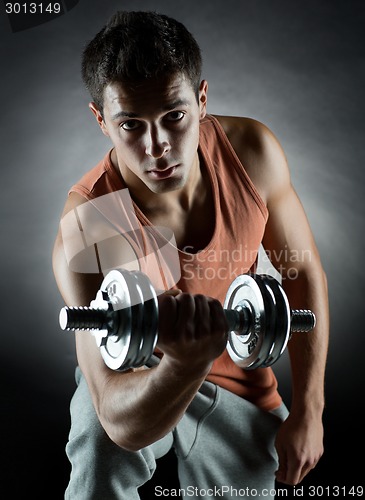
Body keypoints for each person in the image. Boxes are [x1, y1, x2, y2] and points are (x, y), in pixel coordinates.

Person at [52, 10, 329, 500]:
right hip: (140, 380)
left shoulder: (251, 154)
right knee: (98, 448)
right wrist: (183, 363)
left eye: (174, 116)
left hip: (239, 384)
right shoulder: (95, 217)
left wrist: (310, 410)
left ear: (201, 99)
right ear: (101, 121)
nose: (157, 147)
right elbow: (116, 416)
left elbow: (300, 273)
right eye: (131, 125)